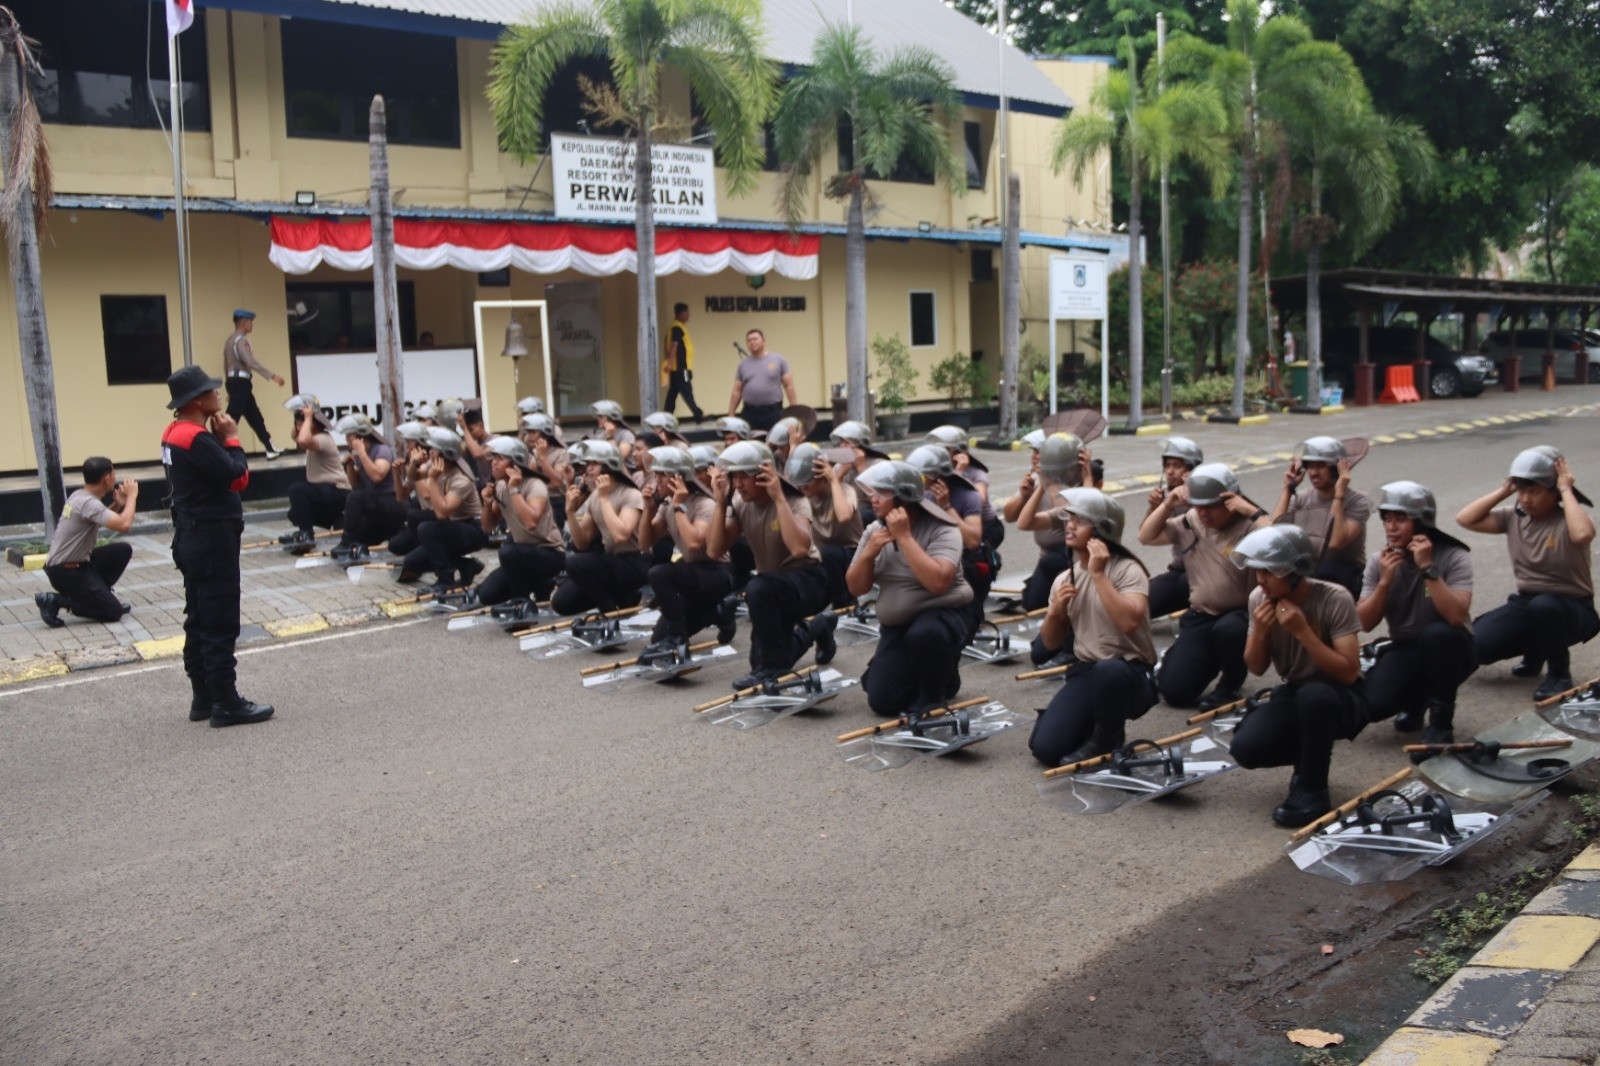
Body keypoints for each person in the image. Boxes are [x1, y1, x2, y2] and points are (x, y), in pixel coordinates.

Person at [1230, 524, 1367, 828]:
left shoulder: (1334, 599)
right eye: (1257, 571)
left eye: (1268, 571)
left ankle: (1313, 789)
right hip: (1295, 691)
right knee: (1245, 748)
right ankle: (1308, 760)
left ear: (1295, 571)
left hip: (1339, 696)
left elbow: (1348, 672)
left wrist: (1303, 632)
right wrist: (1261, 633)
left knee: (1314, 696)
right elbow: (1255, 667)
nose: (1260, 579)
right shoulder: (1259, 598)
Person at [160, 365, 273, 727]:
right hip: (211, 538)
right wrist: (232, 437)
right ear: (197, 400)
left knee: (198, 618)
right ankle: (226, 701)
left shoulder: (173, 432)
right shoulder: (196, 437)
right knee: (220, 621)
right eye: (212, 390)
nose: (219, 394)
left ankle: (203, 697)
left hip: (191, 536)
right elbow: (238, 478)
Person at [1026, 489, 1158, 765]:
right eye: (1069, 518)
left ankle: (1108, 736)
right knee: (1046, 749)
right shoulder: (1065, 577)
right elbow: (1045, 648)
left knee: (1109, 670)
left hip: (1129, 673)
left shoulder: (1127, 569)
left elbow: (1128, 621)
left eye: (1080, 520)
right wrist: (1055, 615)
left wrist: (1098, 574)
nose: (1070, 525)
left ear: (1102, 531)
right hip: (1088, 671)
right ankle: (1089, 722)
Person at [1456, 446, 1597, 700]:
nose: (1526, 499)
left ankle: (1559, 675)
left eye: (1534, 491)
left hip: (1573, 609)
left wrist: (1566, 487)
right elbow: (1465, 519)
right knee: (1479, 646)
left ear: (1553, 492)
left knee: (1544, 607)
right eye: (1521, 491)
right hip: (1527, 603)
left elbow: (1583, 534)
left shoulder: (1568, 519)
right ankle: (1537, 651)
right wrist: (1505, 490)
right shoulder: (1514, 517)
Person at [1138, 462, 1270, 710]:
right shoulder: (1191, 521)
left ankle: (1231, 682)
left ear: (1231, 501)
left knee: (1229, 630)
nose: (1203, 513)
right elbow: (1146, 536)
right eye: (1198, 506)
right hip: (1201, 615)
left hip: (1239, 616)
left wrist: (1252, 511)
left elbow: (1281, 541)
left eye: (1210, 506)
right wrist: (1167, 505)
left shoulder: (1249, 526)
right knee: (1175, 692)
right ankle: (1195, 661)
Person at [846, 460, 974, 716]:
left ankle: (932, 697)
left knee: (925, 634)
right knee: (883, 701)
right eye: (872, 491)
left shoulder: (943, 528)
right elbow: (855, 587)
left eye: (881, 492)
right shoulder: (874, 530)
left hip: (942, 616)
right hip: (899, 625)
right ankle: (939, 674)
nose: (872, 498)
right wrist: (868, 555)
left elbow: (938, 583)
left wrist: (904, 537)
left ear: (904, 498)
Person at [1356, 481, 1475, 755]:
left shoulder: (1453, 556)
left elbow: (1456, 617)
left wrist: (1428, 568)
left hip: (1452, 648)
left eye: (1401, 519)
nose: (1391, 527)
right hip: (1407, 647)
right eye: (1387, 519)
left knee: (1438, 634)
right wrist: (1385, 583)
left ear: (1421, 524)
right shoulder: (1380, 561)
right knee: (1373, 705)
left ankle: (1441, 724)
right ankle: (1417, 699)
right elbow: (1364, 622)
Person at [707, 441, 836, 689]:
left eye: (743, 476)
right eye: (734, 477)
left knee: (758, 588)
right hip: (772, 587)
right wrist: (721, 503)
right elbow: (714, 550)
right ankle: (817, 626)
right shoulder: (741, 503)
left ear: (763, 473)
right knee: (766, 660)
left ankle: (772, 668)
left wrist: (778, 499)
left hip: (807, 581)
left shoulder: (794, 501)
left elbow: (799, 549)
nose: (738, 483)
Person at [638, 446, 736, 659]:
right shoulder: (667, 505)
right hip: (692, 572)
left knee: (659, 573)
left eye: (662, 475)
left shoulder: (704, 503)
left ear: (679, 478)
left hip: (717, 573)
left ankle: (678, 636)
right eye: (655, 475)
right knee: (657, 640)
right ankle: (718, 612)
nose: (656, 481)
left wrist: (678, 505)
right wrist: (648, 509)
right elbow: (644, 543)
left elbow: (693, 543)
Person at [36, 457, 138, 627]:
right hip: (67, 573)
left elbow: (100, 517)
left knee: (122, 550)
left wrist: (118, 504)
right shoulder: (88, 503)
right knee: (113, 612)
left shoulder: (80, 495)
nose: (115, 478)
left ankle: (100, 596)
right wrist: (132, 496)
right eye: (113, 474)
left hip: (73, 566)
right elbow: (124, 525)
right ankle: (56, 601)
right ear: (106, 477)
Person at [552, 440, 650, 614]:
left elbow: (620, 536)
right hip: (611, 560)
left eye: (594, 464)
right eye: (588, 464)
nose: (588, 469)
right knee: (561, 603)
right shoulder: (596, 495)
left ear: (609, 467)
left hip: (634, 562)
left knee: (575, 563)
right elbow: (582, 543)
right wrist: (570, 513)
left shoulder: (631, 494)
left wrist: (605, 499)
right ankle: (625, 597)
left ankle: (609, 610)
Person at [1268, 436, 1372, 599]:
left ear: (1335, 468)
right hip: (1308, 566)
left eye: (1321, 466)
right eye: (1310, 466)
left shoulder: (1359, 501)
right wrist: (1287, 489)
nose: (1314, 472)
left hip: (1342, 572)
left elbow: (1337, 541)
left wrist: (1339, 495)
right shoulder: (1302, 498)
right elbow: (1274, 531)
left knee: (1326, 569)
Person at [906, 444, 990, 636]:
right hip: (936, 556)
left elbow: (972, 541)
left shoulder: (968, 495)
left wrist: (946, 507)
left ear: (938, 476)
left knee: (965, 629)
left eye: (922, 477)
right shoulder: (923, 494)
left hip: (967, 563)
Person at [474, 437, 565, 607]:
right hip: (521, 555)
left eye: (500, 459)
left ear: (515, 463)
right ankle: (541, 584)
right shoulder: (501, 486)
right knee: (487, 595)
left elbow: (531, 523)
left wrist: (514, 490)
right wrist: (486, 504)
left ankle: (522, 601)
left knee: (508, 551)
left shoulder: (535, 485)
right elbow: (487, 527)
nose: (494, 463)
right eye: (494, 458)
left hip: (549, 553)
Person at [399, 427, 489, 593]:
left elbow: (441, 514)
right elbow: (412, 478)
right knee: (412, 562)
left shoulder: (460, 479)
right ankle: (466, 565)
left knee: (427, 529)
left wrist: (432, 480)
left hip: (474, 530)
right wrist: (415, 463)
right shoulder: (437, 468)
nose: (430, 452)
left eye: (434, 450)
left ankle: (445, 579)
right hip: (455, 526)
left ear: (444, 454)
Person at [1010, 434, 1089, 610]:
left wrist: (1087, 475)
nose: (1036, 458)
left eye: (1041, 453)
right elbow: (1020, 522)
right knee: (1030, 603)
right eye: (1035, 453)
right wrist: (1038, 488)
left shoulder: (1080, 485)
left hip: (1078, 562)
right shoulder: (1038, 480)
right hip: (1050, 560)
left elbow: (1087, 507)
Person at [791, 443, 862, 608]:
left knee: (825, 554)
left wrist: (833, 479)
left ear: (821, 477)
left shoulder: (845, 490)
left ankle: (845, 601)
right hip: (822, 559)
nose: (802, 486)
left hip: (850, 556)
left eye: (806, 481)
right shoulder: (805, 498)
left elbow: (844, 516)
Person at [278, 394, 349, 548]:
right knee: (295, 513)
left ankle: (306, 535)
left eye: (300, 425)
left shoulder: (322, 439)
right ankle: (337, 521)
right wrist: (300, 417)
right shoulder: (312, 437)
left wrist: (308, 418)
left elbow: (302, 440)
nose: (298, 428)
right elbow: (296, 437)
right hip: (324, 491)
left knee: (297, 490)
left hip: (338, 491)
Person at [330, 413, 405, 562]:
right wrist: (350, 466)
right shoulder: (359, 454)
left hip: (392, 502)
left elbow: (378, 475)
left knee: (356, 497)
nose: (347, 441)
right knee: (359, 538)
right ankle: (360, 541)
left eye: (349, 437)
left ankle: (346, 540)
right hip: (376, 506)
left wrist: (363, 453)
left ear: (360, 437)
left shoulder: (381, 450)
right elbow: (355, 483)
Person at [1145, 437, 1203, 618]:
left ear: (1192, 469)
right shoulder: (1170, 499)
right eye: (1167, 465)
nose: (1170, 472)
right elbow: (1147, 537)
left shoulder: (1206, 498)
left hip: (1206, 574)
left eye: (1177, 466)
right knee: (1139, 605)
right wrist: (1156, 508)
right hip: (1179, 571)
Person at [926, 425, 1004, 549]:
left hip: (985, 525)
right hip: (955, 521)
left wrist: (958, 474)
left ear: (957, 452)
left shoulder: (976, 473)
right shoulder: (936, 472)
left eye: (943, 450)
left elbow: (980, 499)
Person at [221, 309, 284, 459]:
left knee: (255, 416)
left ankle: (269, 447)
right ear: (244, 323)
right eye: (250, 322)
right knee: (231, 418)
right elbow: (249, 361)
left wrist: (228, 386)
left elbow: (226, 364)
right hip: (240, 382)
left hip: (236, 382)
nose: (252, 326)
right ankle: (218, 449)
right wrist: (271, 376)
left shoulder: (230, 340)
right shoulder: (240, 341)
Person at [728, 328, 797, 432]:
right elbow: (737, 391)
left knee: (774, 441)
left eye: (755, 339)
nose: (752, 342)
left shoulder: (778, 360)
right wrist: (731, 413)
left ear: (763, 341)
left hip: (773, 412)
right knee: (751, 444)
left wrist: (794, 409)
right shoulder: (743, 364)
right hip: (749, 412)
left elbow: (789, 386)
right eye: (749, 340)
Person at [520, 412, 572, 530]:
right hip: (536, 497)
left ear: (546, 433)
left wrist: (543, 458)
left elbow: (556, 482)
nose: (530, 436)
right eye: (528, 432)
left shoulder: (561, 453)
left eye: (534, 432)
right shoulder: (535, 452)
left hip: (554, 500)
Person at [663, 302, 706, 423]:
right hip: (681, 367)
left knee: (673, 392)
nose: (688, 315)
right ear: (680, 313)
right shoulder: (677, 327)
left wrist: (667, 360)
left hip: (677, 368)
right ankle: (698, 414)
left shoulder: (673, 326)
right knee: (687, 390)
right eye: (686, 312)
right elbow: (673, 345)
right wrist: (670, 362)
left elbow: (666, 343)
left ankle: (667, 415)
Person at [591, 400, 637, 465]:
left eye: (601, 417)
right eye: (598, 417)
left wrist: (610, 436)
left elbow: (618, 459)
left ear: (611, 417)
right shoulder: (600, 436)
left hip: (627, 471)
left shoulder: (626, 434)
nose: (598, 419)